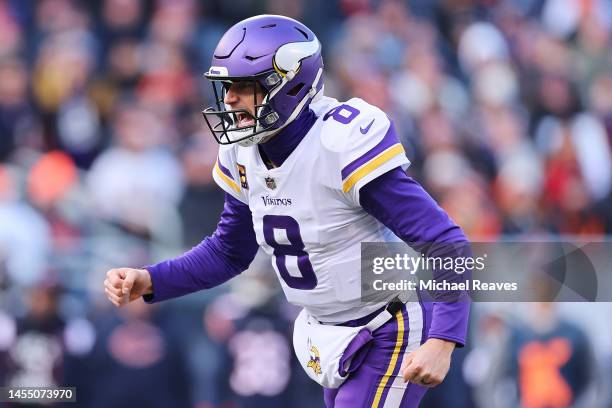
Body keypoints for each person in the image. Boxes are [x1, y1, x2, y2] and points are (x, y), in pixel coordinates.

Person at [103, 15, 470, 407]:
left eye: (244, 86)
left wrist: (443, 340)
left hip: (388, 323)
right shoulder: (241, 154)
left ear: (290, 84)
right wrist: (152, 279)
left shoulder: (338, 143)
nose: (229, 99)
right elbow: (229, 251)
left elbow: (446, 242)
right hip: (325, 331)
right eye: (227, 86)